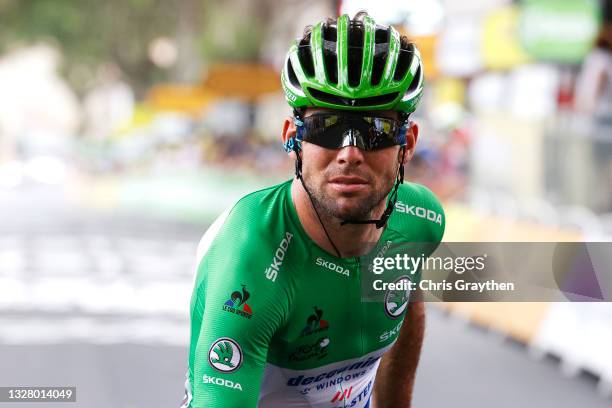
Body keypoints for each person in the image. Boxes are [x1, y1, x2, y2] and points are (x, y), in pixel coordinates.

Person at [181, 12, 445, 408]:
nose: (350, 153)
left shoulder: (421, 219)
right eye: (328, 127)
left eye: (375, 129)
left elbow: (405, 304)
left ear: (407, 143)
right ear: (293, 139)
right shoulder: (252, 259)